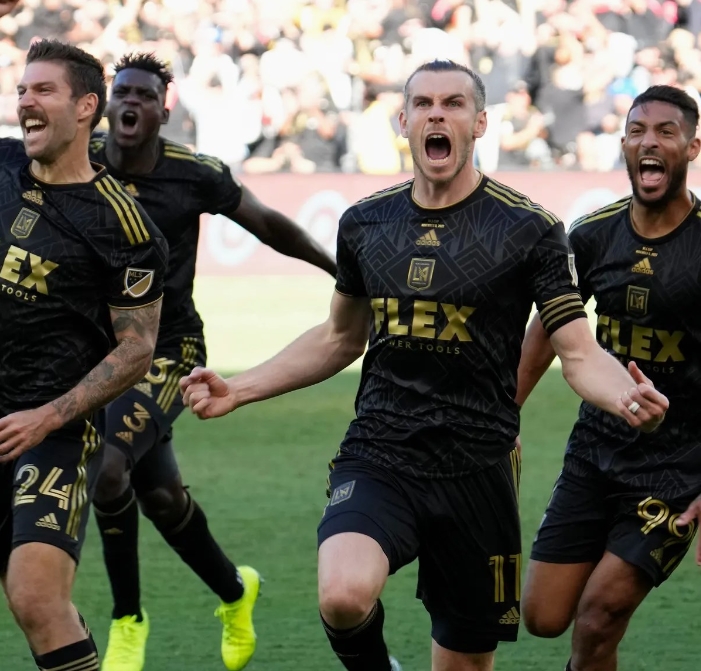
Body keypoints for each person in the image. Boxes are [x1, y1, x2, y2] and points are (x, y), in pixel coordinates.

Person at [179, 59, 669, 671]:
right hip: (382, 452)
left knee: (464, 663)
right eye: (425, 103)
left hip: (478, 468)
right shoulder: (366, 222)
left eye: (455, 103)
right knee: (342, 595)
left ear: (481, 122)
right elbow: (339, 337)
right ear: (403, 120)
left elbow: (576, 352)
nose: (439, 113)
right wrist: (240, 386)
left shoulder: (531, 229)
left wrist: (624, 396)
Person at [86, 52, 337, 671]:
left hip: (169, 351)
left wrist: (339, 270)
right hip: (95, 350)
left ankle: (126, 620)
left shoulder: (192, 174)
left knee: (108, 470)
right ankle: (234, 591)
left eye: (144, 95)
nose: (131, 103)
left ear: (163, 110)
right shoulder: (78, 158)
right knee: (163, 498)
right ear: (105, 100)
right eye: (123, 92)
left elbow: (269, 225)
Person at [515, 85, 701, 671]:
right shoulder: (592, 236)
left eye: (666, 132)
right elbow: (550, 328)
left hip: (677, 467)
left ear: (693, 146)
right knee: (543, 617)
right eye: (638, 131)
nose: (650, 142)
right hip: (595, 451)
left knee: (597, 617)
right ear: (622, 144)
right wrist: (503, 410)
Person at [0, 39, 167, 671]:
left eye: (43, 91)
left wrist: (48, 416)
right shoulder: (2, 164)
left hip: (54, 435)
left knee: (37, 599)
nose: (26, 103)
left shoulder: (124, 225)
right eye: (21, 91)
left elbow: (137, 348)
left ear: (85, 108)